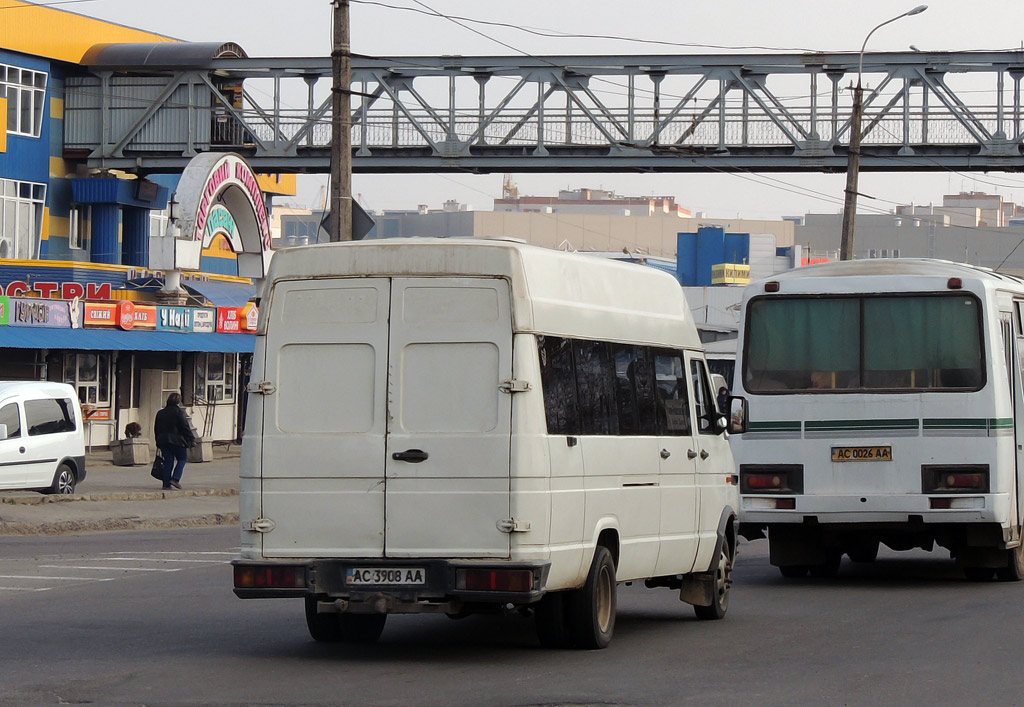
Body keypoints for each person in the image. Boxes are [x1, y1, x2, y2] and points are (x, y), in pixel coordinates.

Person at [154, 392, 195, 490]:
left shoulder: (160, 413)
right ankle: (175, 479)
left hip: (163, 440)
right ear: (178, 402)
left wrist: (158, 441)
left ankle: (166, 484)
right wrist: (191, 439)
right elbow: (185, 427)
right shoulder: (179, 412)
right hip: (177, 441)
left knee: (168, 461)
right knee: (182, 458)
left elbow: (156, 428)